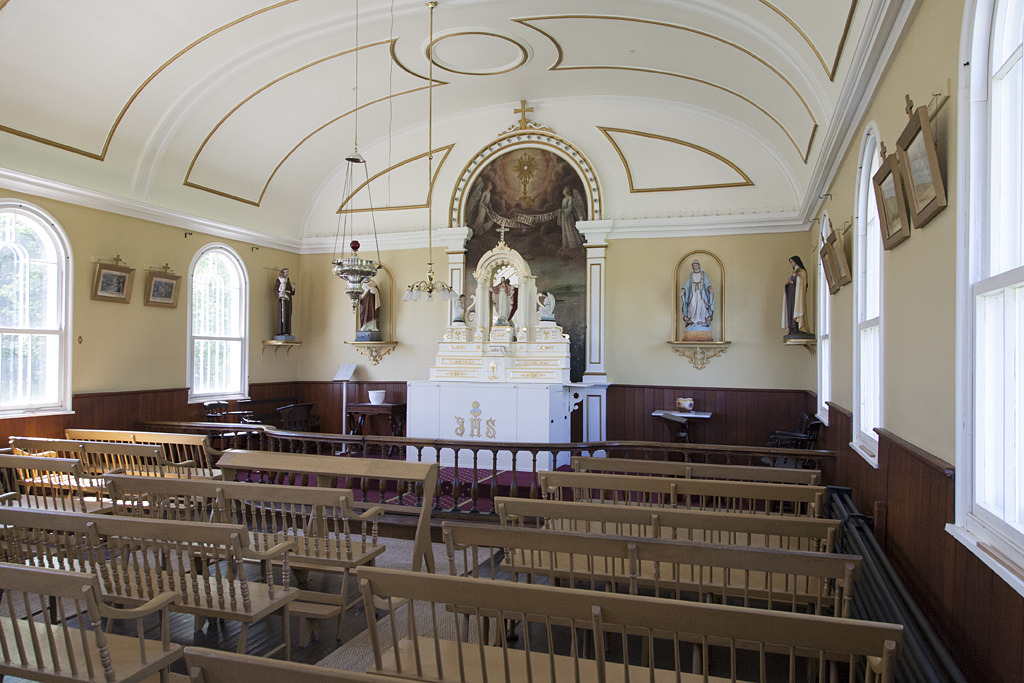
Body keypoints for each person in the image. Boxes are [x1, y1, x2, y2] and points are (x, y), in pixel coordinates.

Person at [680, 260, 714, 340]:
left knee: (702, 306)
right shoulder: (691, 275)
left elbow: (706, 282)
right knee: (692, 305)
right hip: (693, 293)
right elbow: (687, 284)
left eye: (696, 265)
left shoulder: (703, 274)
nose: (695, 266)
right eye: (694, 265)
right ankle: (693, 320)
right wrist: (683, 290)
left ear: (699, 265)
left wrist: (709, 287)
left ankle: (701, 320)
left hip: (702, 294)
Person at [783, 255, 812, 338]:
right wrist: (787, 283)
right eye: (790, 262)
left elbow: (803, 283)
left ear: (796, 261)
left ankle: (798, 329)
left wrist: (795, 278)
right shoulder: (794, 271)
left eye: (792, 261)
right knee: (791, 311)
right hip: (791, 294)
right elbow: (789, 282)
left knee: (797, 310)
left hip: (798, 296)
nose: (791, 263)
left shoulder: (802, 271)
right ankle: (792, 329)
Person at [275, 268, 295, 338]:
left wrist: (293, 288)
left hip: (288, 299)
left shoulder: (288, 282)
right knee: (283, 315)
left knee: (288, 315)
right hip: (283, 300)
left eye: (287, 272)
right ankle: (281, 331)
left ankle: (287, 331)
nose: (287, 274)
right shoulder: (279, 281)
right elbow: (276, 290)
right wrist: (280, 296)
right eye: (285, 272)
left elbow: (292, 293)